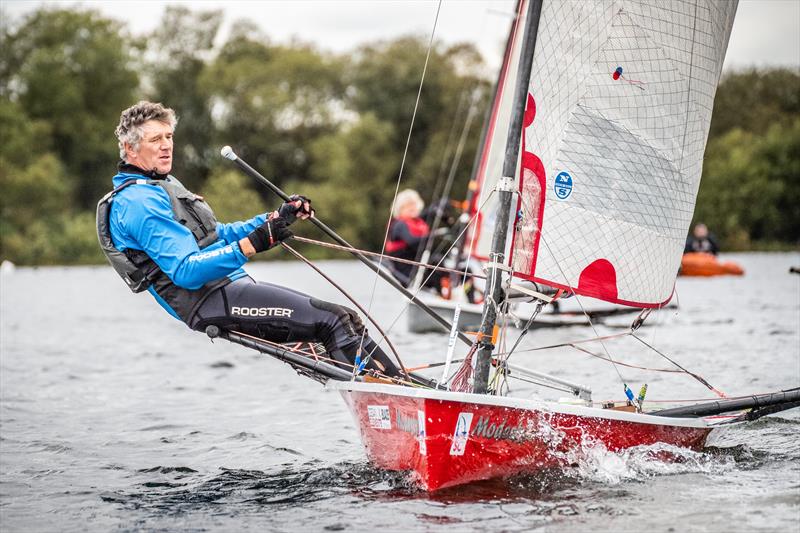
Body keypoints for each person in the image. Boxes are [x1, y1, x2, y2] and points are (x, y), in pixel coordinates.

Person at [97, 101, 399, 377]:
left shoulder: (163, 184)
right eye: (155, 140)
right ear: (130, 148)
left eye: (169, 137)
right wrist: (252, 244)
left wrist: (274, 220)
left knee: (346, 321)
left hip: (229, 287)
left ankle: (396, 386)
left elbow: (217, 235)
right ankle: (390, 397)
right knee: (331, 321)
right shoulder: (137, 202)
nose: (166, 146)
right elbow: (186, 271)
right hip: (207, 300)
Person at [385, 189, 432, 287]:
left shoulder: (419, 223)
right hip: (406, 271)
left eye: (413, 204)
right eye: (407, 205)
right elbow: (412, 242)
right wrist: (433, 236)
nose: (411, 208)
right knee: (436, 261)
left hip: (419, 267)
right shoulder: (399, 225)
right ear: (400, 209)